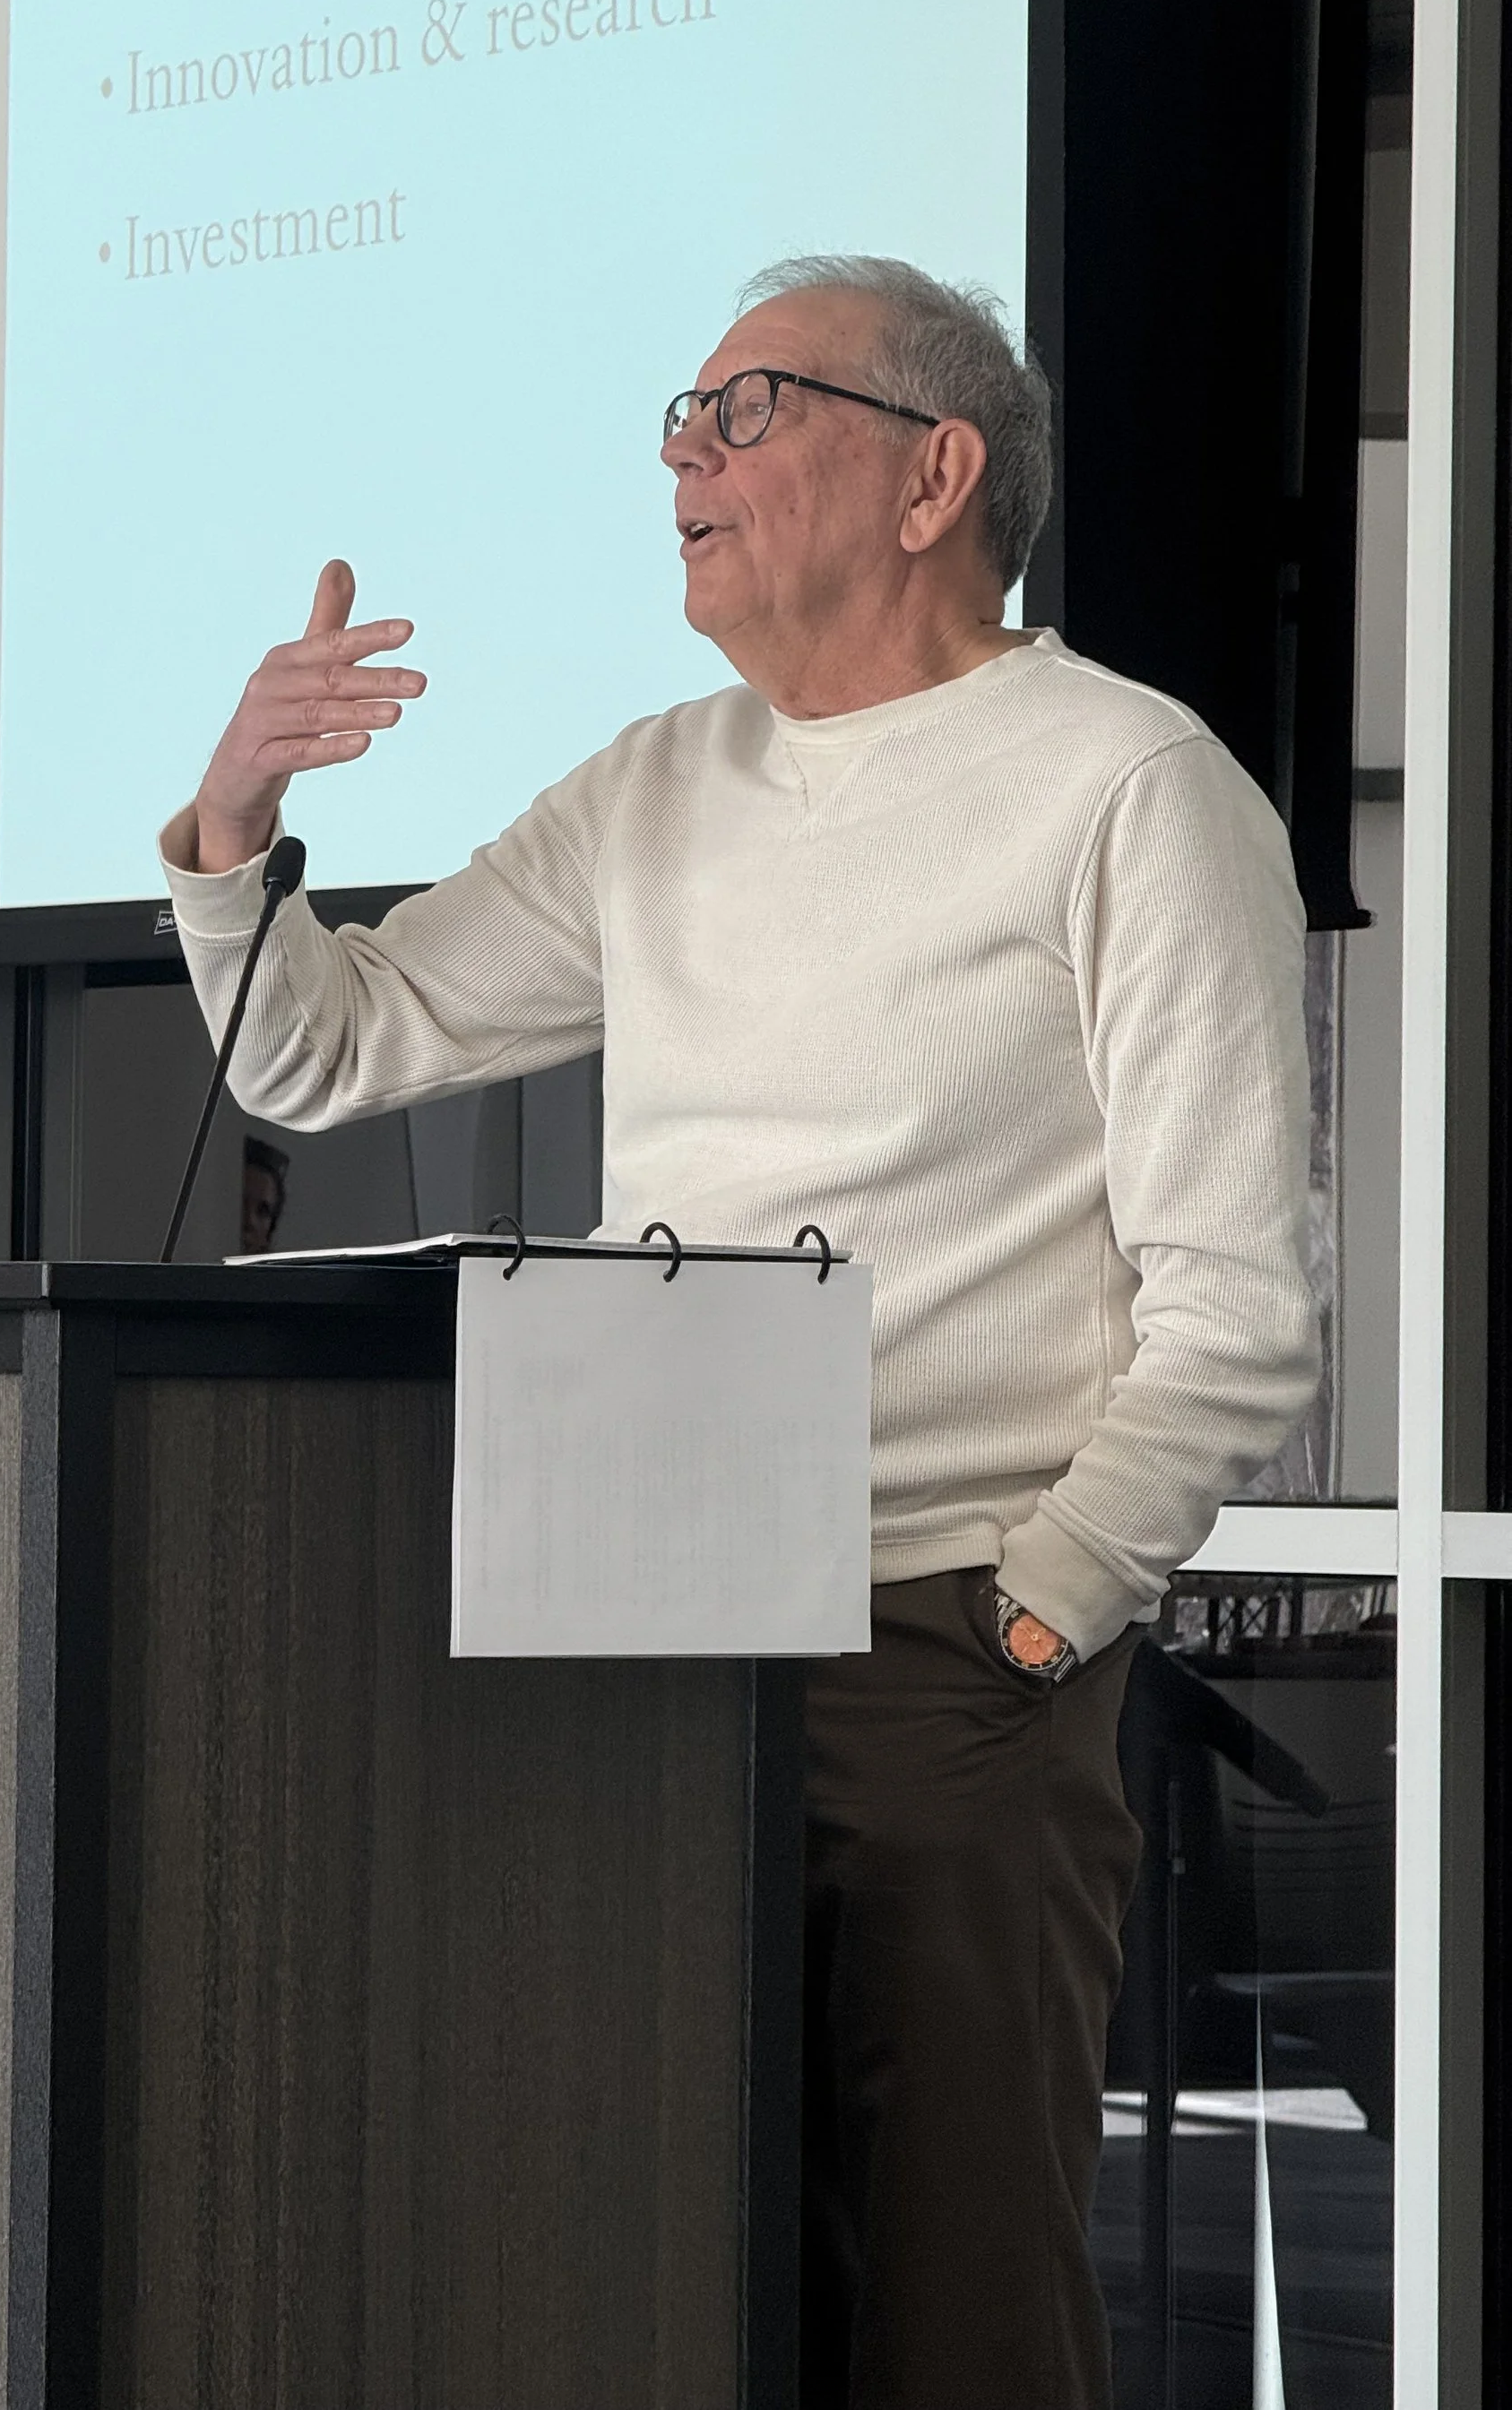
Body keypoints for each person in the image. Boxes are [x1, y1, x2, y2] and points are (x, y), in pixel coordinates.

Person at [157, 252, 1317, 2410]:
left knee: (951, 2311)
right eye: (676, 420)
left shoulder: (1126, 785)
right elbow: (327, 1044)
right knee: (646, 2272)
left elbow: (1237, 1301)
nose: (683, 457)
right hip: (634, 1638)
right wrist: (234, 828)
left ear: (931, 477)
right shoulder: (658, 784)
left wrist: (1039, 1607)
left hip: (941, 1644)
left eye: (745, 408)